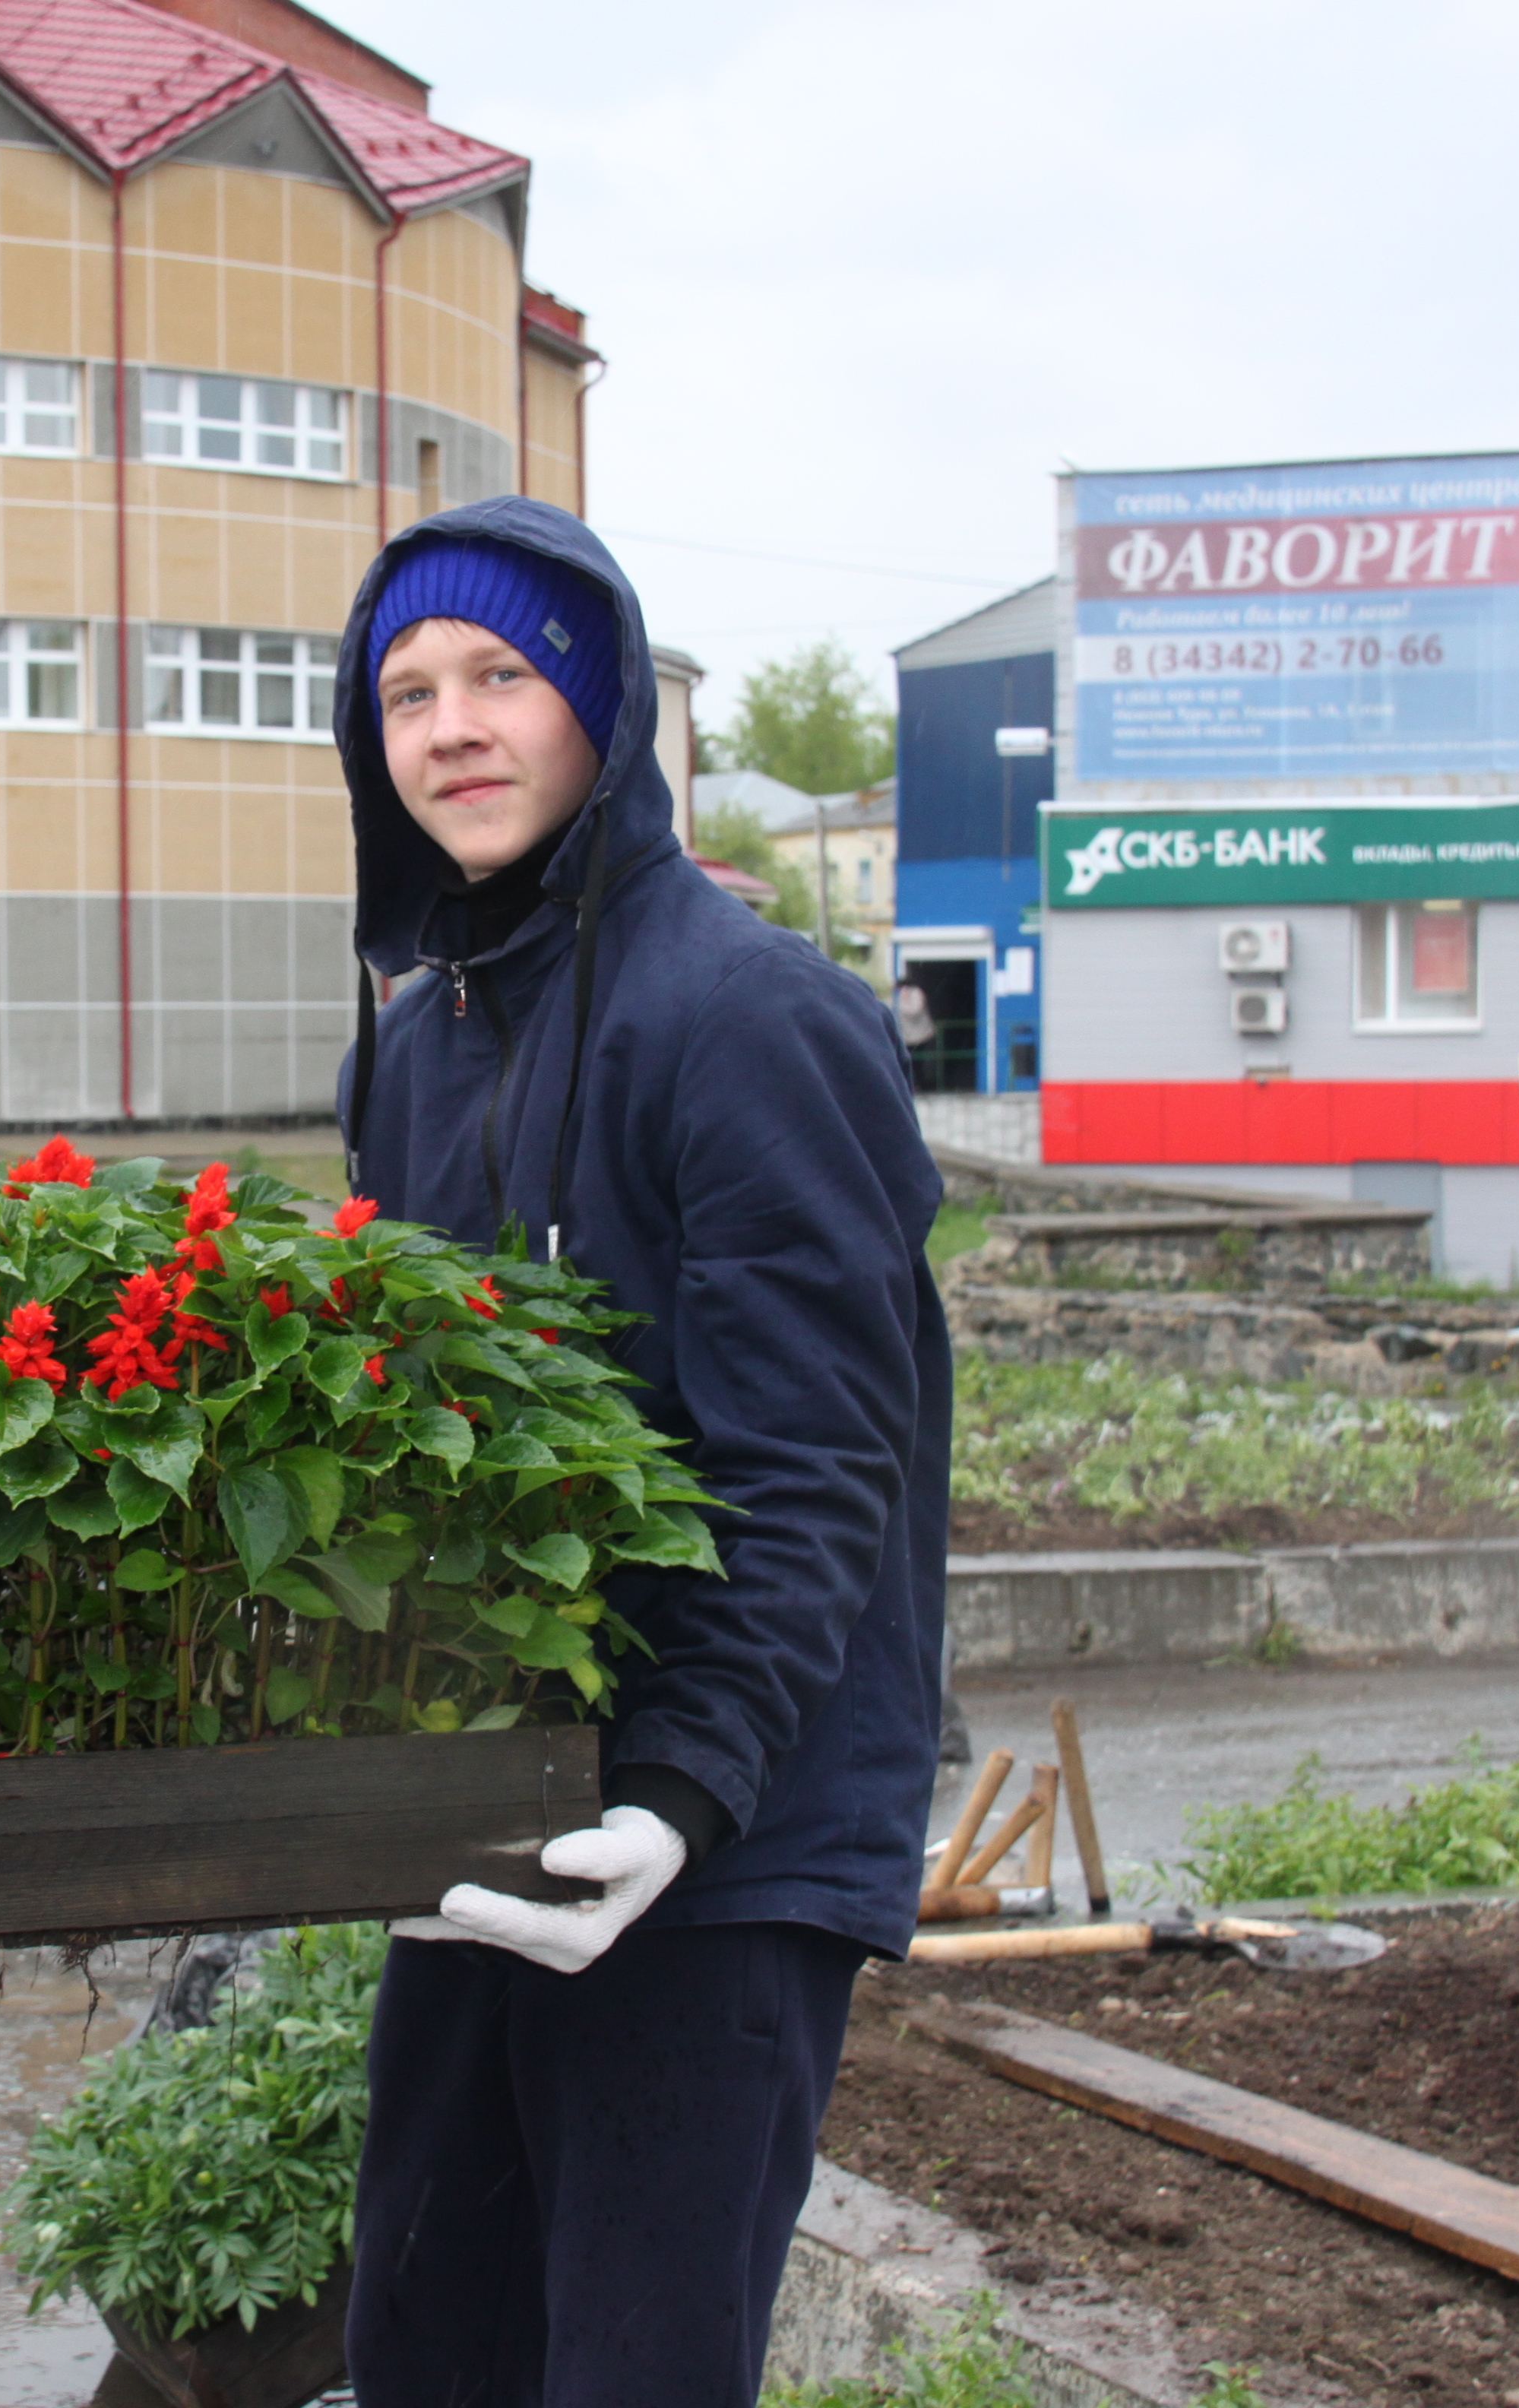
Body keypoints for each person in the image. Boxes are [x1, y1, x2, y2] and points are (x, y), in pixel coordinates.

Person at [331, 501, 949, 2406]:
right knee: (434, 2337)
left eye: (502, 675)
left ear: (604, 699)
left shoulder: (751, 1020)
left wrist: (679, 1793)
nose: (450, 727)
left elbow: (819, 1456)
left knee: (633, 2367)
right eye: (407, 691)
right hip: (508, 1803)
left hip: (723, 1834)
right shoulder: (419, 1041)